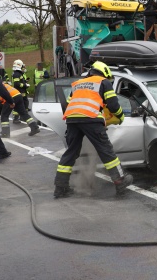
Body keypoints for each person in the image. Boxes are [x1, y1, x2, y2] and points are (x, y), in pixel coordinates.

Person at [53, 61, 132, 198]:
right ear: (105, 73)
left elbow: (68, 103)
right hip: (91, 118)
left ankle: (60, 188)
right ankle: (120, 180)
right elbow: (113, 105)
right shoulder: (104, 82)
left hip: (72, 120)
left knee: (71, 152)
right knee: (105, 151)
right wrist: (120, 116)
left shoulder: (78, 84)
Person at [11, 59, 30, 124]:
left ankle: (23, 117)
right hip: (19, 92)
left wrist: (25, 83)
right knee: (19, 105)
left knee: (25, 104)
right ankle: (16, 118)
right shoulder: (16, 74)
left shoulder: (18, 73)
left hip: (22, 92)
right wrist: (25, 85)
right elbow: (17, 84)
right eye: (22, 66)